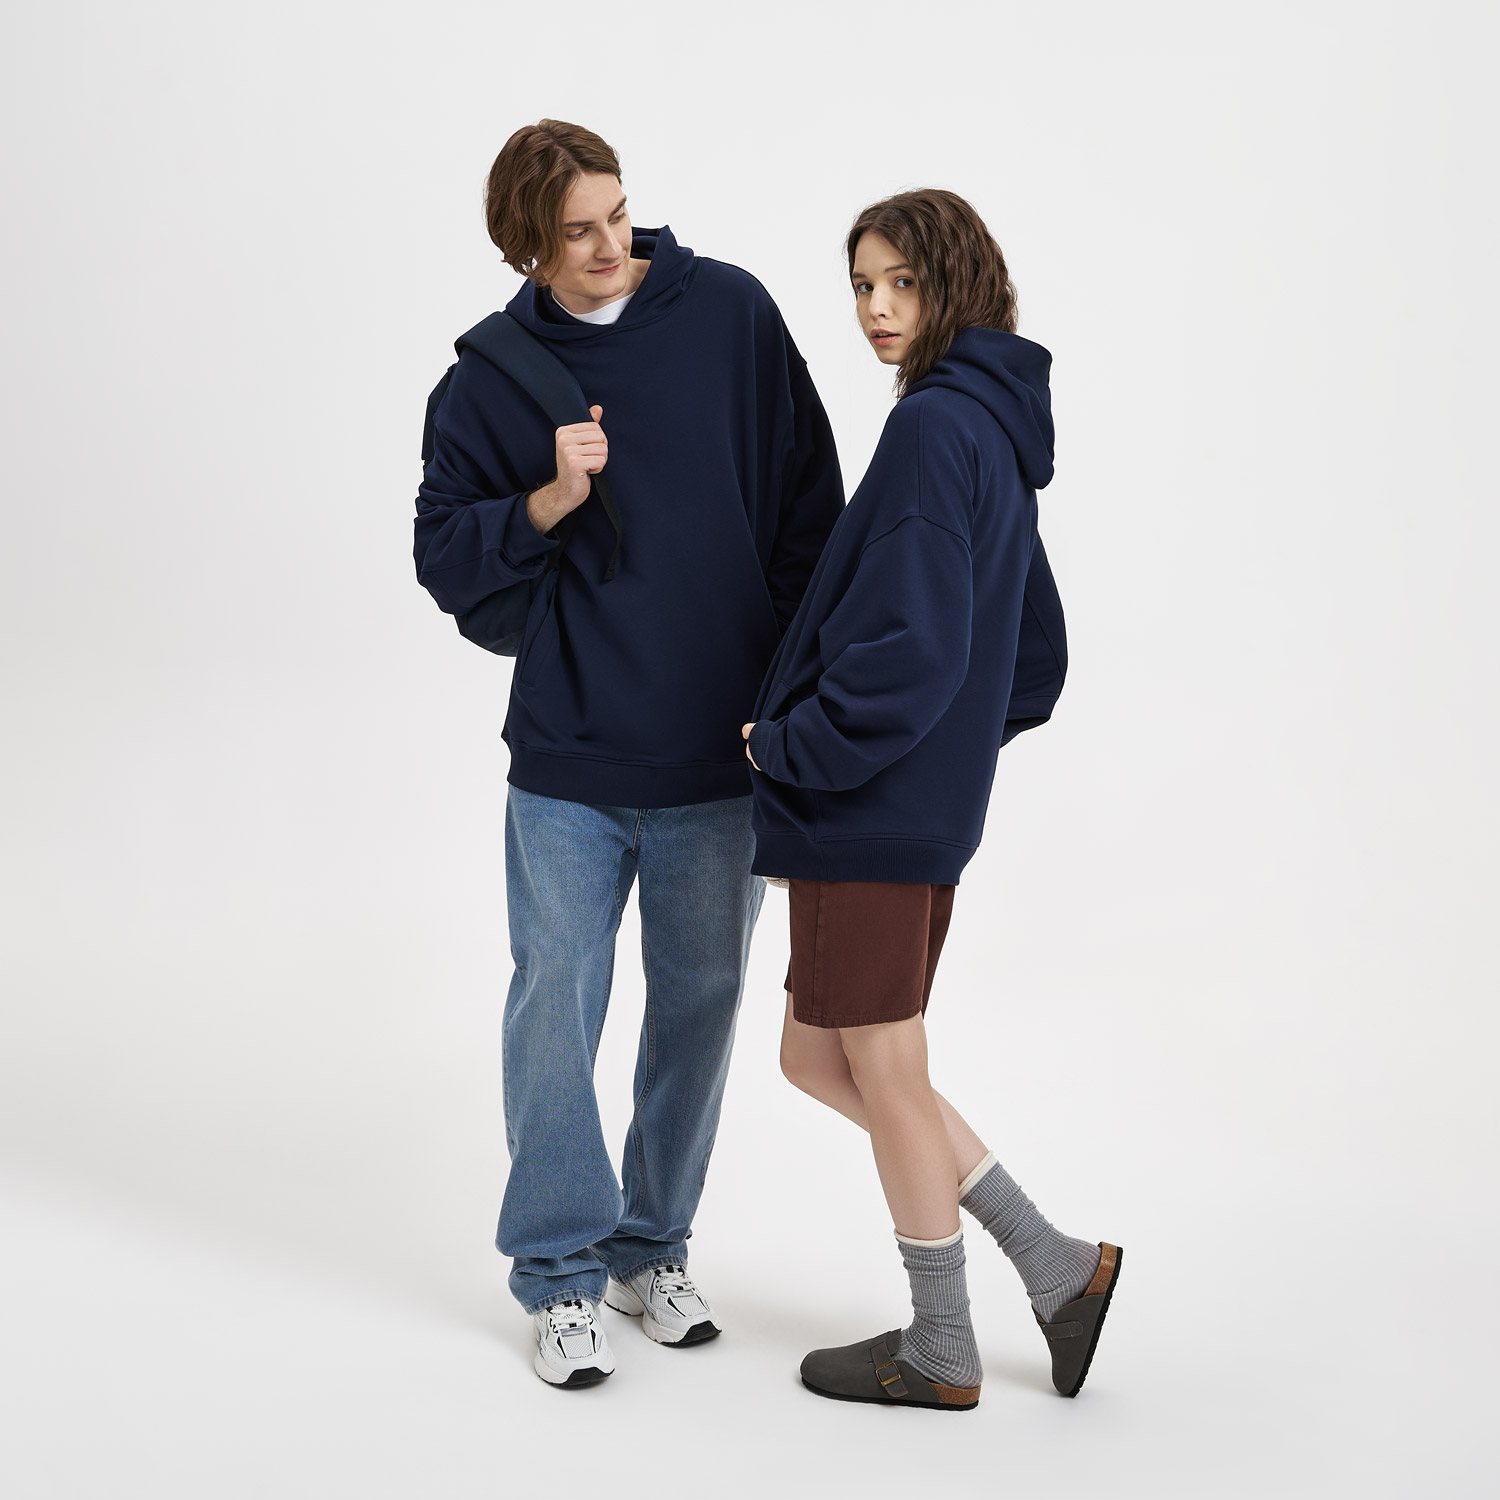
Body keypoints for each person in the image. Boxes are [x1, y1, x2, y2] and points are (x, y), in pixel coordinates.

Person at [414, 120, 843, 1389]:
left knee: (701, 1005)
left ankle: (651, 1247)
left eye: (617, 214)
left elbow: (809, 512)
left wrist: (791, 699)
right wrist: (547, 500)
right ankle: (558, 1273)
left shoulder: (731, 316)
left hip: (723, 749)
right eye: (577, 234)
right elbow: (442, 554)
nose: (612, 247)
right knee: (556, 1003)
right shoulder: (489, 379)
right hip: (571, 756)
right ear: (525, 248)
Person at [742, 189, 1120, 1412]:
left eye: (901, 282)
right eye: (861, 285)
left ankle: (944, 1345)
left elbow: (915, 651)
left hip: (867, 802)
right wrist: (949, 754)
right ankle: (1056, 1267)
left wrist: (794, 742)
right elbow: (1034, 655)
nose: (876, 308)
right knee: (818, 1056)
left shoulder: (930, 431)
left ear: (955, 281)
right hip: (906, 803)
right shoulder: (989, 430)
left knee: (884, 1069)